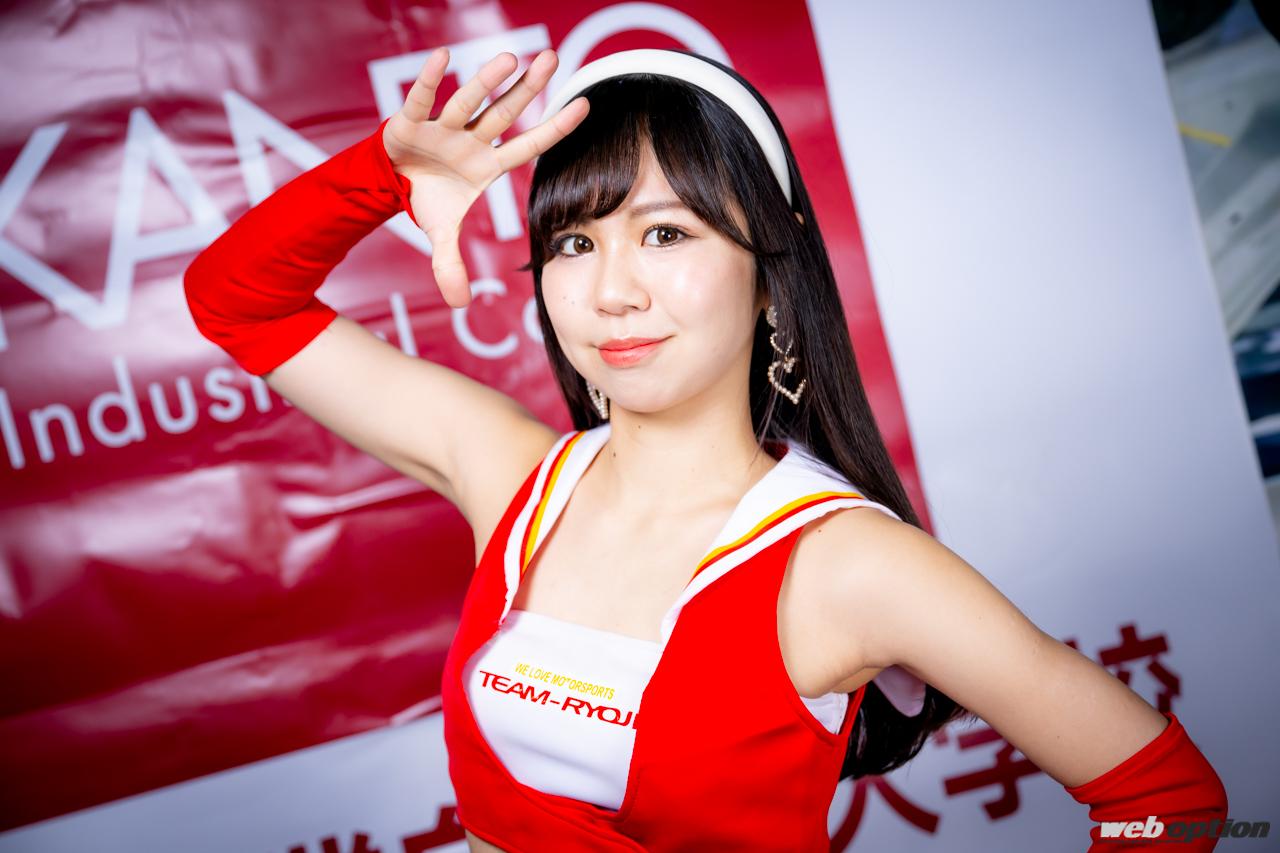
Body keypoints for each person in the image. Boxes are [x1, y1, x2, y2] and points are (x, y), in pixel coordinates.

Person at [184, 46, 1229, 852]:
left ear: (769, 271)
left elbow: (1165, 798)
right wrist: (382, 173)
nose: (611, 291)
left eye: (667, 233)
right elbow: (237, 300)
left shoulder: (848, 564)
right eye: (574, 242)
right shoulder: (512, 476)